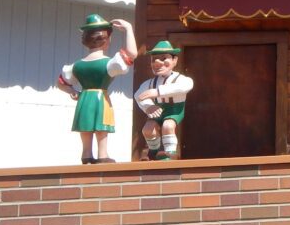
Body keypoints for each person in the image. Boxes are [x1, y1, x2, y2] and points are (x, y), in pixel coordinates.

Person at [57, 15, 137, 164]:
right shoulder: (110, 63)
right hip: (101, 97)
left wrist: (72, 91)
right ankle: (102, 154)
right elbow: (132, 54)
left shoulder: (76, 65)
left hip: (84, 97)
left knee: (86, 126)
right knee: (101, 125)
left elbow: (61, 82)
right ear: (107, 40)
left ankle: (86, 154)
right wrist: (128, 28)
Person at [134, 41, 194, 160]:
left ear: (174, 61)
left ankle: (169, 153)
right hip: (157, 109)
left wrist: (158, 92)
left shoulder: (179, 79)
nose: (158, 62)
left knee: (168, 126)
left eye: (163, 58)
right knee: (148, 129)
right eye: (154, 59)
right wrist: (149, 106)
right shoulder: (151, 82)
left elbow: (187, 85)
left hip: (174, 109)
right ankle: (153, 151)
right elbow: (138, 95)